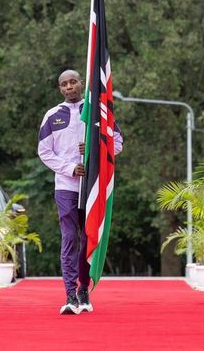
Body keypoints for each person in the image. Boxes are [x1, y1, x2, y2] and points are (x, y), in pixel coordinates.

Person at [37, 69, 123, 315]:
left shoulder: (97, 111)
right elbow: (44, 152)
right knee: (69, 238)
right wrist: (69, 168)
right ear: (60, 88)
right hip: (66, 186)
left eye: (73, 82)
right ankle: (69, 294)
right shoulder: (52, 116)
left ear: (81, 83)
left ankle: (84, 289)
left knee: (88, 238)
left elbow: (117, 143)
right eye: (64, 84)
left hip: (92, 187)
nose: (69, 87)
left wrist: (95, 148)